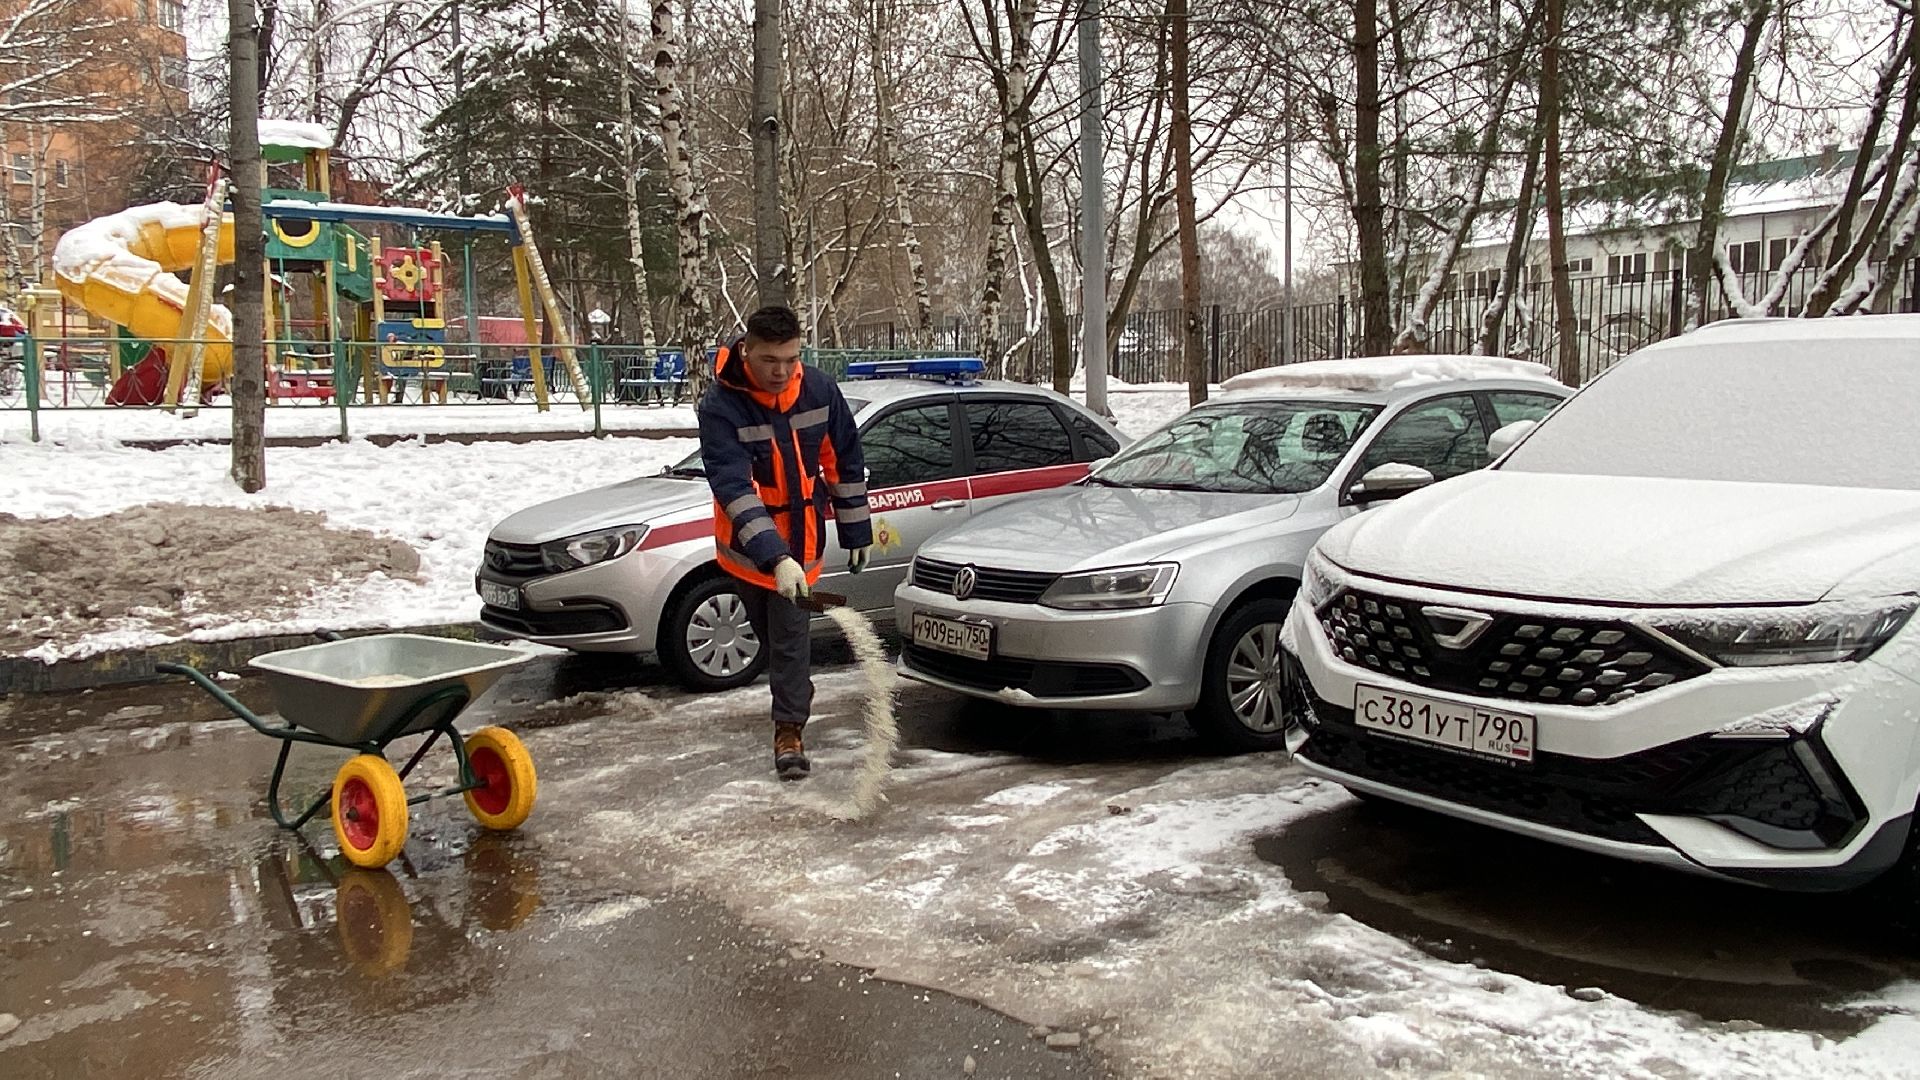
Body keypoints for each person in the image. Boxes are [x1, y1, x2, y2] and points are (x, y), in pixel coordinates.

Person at [697, 306, 872, 780]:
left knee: (791, 641)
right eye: (770, 360)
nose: (781, 371)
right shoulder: (721, 406)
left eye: (790, 359)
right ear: (746, 350)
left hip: (805, 540)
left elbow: (843, 461)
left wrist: (856, 529)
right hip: (750, 551)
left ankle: (790, 733)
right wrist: (774, 558)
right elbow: (733, 487)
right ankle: (789, 701)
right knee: (773, 640)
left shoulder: (819, 389)